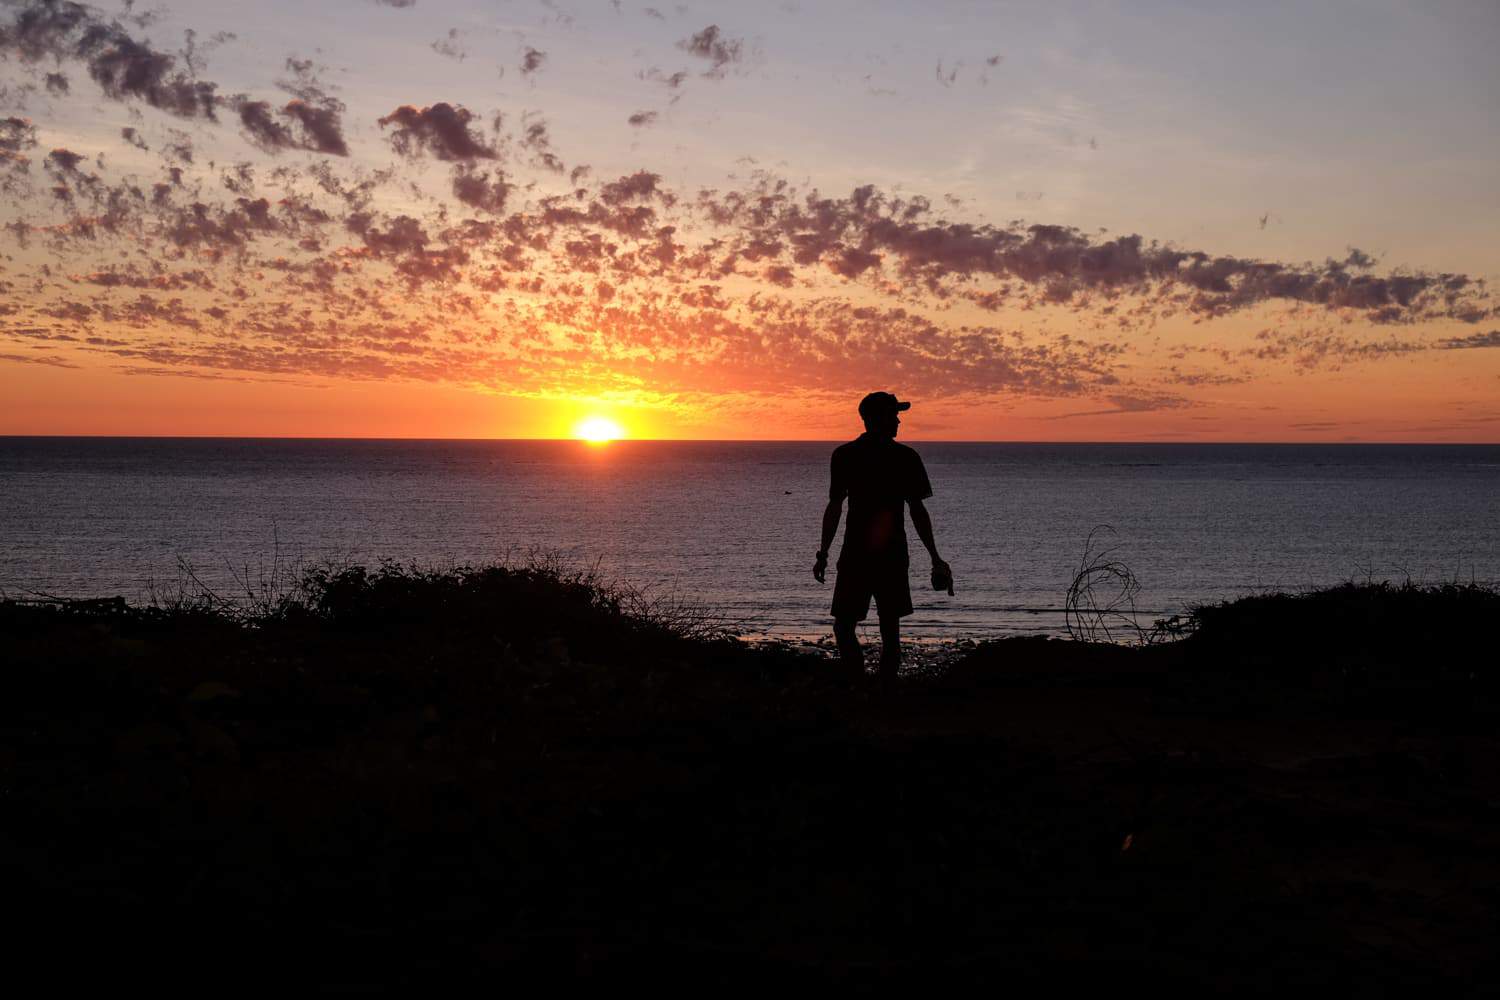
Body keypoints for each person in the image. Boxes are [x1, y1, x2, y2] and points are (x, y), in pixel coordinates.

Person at [814, 391, 951, 683]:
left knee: (848, 627)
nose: (898, 421)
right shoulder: (904, 457)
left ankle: (859, 686)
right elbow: (917, 510)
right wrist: (935, 557)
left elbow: (836, 505)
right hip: (886, 555)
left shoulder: (846, 455)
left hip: (859, 555)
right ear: (875, 419)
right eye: (893, 414)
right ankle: (879, 690)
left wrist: (824, 552)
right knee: (888, 629)